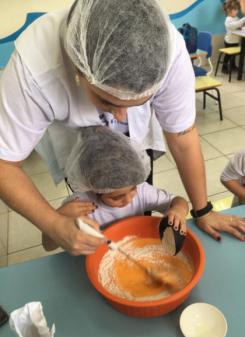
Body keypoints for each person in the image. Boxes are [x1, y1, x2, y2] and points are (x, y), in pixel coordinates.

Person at [0, 0, 245, 258]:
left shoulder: (169, 52)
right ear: (79, 72)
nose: (120, 117)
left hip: (136, 153)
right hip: (81, 151)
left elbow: (182, 136)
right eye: (107, 101)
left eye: (138, 103)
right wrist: (53, 223)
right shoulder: (35, 68)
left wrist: (202, 210)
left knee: (138, 203)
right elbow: (4, 163)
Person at [42, 126, 189, 251]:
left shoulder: (142, 191)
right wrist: (60, 215)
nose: (128, 199)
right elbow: (48, 245)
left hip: (136, 246)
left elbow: (179, 201)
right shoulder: (79, 205)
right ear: (93, 189)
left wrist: (178, 210)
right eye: (116, 197)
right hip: (97, 253)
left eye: (133, 189)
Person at [222, 0, 245, 73]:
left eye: (237, 9)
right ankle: (224, 67)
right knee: (228, 55)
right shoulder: (228, 20)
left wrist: (242, 25)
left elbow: (239, 25)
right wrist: (243, 19)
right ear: (229, 10)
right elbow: (235, 25)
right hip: (229, 41)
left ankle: (233, 66)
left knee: (234, 55)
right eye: (235, 10)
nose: (237, 11)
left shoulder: (236, 18)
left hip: (235, 41)